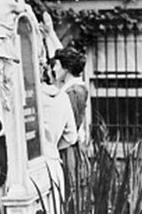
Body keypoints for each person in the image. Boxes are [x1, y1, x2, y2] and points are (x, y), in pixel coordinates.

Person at [51, 48, 89, 213]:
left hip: (68, 149)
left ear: (65, 68)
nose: (54, 69)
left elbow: (68, 127)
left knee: (68, 192)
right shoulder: (76, 87)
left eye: (57, 65)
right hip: (72, 146)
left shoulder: (72, 92)